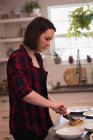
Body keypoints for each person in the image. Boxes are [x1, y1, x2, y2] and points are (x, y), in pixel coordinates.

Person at [7, 16, 68, 140]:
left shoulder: (38, 57)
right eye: (47, 39)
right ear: (35, 35)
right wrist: (52, 104)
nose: (48, 44)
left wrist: (54, 104)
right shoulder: (17, 58)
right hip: (25, 126)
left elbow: (40, 89)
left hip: (41, 121)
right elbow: (23, 92)